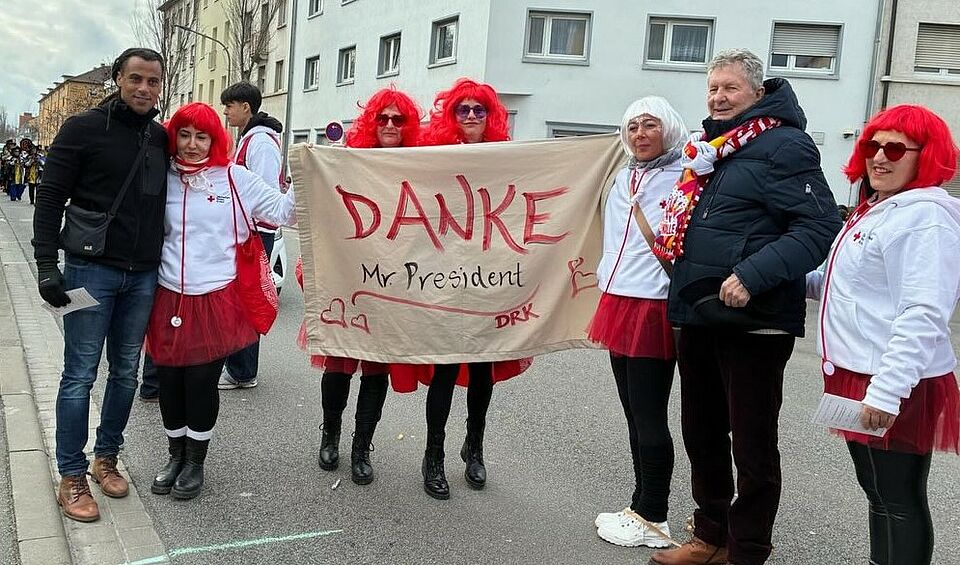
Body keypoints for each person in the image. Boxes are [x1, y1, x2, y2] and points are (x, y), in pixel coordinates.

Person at [651, 49, 842, 565]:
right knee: (702, 433)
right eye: (713, 88)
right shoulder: (710, 148)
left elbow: (819, 225)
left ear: (758, 93)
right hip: (699, 312)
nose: (718, 97)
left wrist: (753, 276)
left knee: (752, 445)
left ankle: (748, 549)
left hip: (755, 321)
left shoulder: (784, 144)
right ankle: (710, 537)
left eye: (730, 88)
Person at [806, 104, 960, 565]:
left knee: (898, 498)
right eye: (873, 145)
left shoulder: (925, 217)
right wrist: (773, 278)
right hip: (864, 372)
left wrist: (887, 391)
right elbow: (844, 285)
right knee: (878, 492)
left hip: (892, 379)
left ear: (924, 157)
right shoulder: (877, 209)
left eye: (896, 149)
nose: (879, 156)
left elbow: (924, 311)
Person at [31, 47, 168, 523]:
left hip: (143, 274)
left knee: (126, 372)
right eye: (136, 79)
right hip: (90, 271)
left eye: (153, 81)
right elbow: (50, 197)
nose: (144, 89)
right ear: (118, 79)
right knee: (80, 374)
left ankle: (105, 457)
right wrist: (46, 264)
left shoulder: (160, 137)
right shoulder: (82, 129)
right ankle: (70, 474)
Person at [145, 102, 296, 500]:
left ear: (215, 140)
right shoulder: (161, 175)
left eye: (202, 137)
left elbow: (285, 212)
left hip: (215, 298)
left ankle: (195, 462)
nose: (192, 144)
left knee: (200, 382)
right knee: (169, 382)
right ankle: (175, 456)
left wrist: (307, 172)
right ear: (173, 136)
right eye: (185, 135)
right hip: (166, 296)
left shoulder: (234, 178)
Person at [404, 78, 531, 500]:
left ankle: (474, 447)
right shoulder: (434, 157)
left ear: (491, 116)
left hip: (488, 278)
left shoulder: (502, 157)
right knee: (444, 368)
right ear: (452, 115)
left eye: (480, 109)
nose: (472, 116)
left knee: (482, 370)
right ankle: (433, 455)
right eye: (464, 109)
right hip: (443, 278)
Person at [308, 87, 422, 486]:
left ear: (408, 127)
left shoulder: (421, 166)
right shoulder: (348, 162)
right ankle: (330, 434)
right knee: (338, 363)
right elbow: (323, 211)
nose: (390, 125)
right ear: (371, 123)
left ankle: (361, 446)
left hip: (391, 283)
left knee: (376, 370)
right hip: (349, 276)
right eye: (382, 118)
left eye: (398, 119)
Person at [588, 97, 686, 549]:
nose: (640, 134)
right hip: (618, 298)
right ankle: (639, 505)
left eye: (650, 125)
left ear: (669, 128)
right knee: (632, 412)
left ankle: (654, 517)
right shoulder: (623, 175)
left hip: (652, 303)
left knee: (648, 415)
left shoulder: (686, 174)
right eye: (632, 126)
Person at [218, 82, 285, 390]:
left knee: (246, 301)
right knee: (239, 300)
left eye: (229, 106)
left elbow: (266, 193)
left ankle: (243, 371)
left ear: (246, 107)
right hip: (249, 230)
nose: (226, 112)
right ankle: (239, 367)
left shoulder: (260, 142)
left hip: (255, 232)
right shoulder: (250, 137)